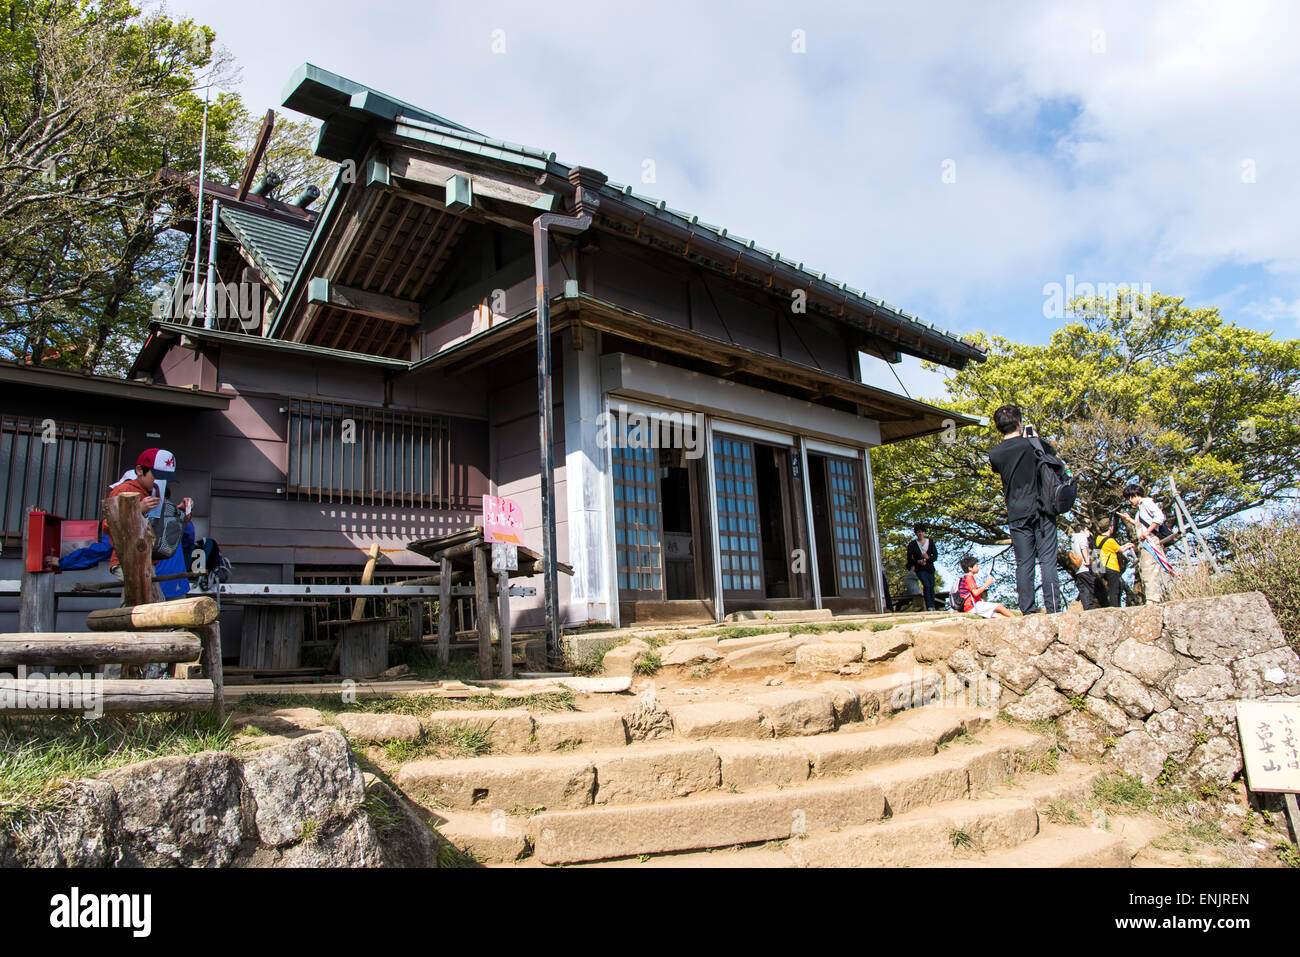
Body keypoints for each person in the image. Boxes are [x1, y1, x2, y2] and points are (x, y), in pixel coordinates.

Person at [987, 405, 1063, 613]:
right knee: (1047, 559)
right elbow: (1052, 456)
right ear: (1020, 423)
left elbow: (999, 468)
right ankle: (1053, 607)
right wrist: (1036, 438)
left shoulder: (994, 454)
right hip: (1042, 507)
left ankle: (1027, 609)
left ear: (998, 428)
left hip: (1016, 511)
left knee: (1024, 562)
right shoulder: (1032, 445)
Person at [1123, 483, 1175, 603]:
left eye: (1129, 498)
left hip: (1150, 541)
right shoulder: (1140, 509)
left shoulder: (1146, 503)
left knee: (1149, 569)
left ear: (1134, 495)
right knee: (1146, 569)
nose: (1130, 501)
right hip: (1146, 542)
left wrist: (1147, 532)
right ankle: (1153, 598)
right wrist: (1130, 520)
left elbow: (1159, 517)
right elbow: (1141, 524)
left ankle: (1152, 599)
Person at [1094, 517, 1134, 609]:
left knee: (1112, 588)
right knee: (1115, 589)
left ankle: (1113, 606)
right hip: (1112, 566)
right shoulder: (1110, 540)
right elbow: (1120, 549)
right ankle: (1115, 607)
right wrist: (1128, 546)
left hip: (1102, 567)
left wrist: (1126, 545)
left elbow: (1117, 547)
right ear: (1110, 528)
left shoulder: (1098, 539)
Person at [1068, 521, 1104, 610]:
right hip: (1085, 567)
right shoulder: (1082, 537)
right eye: (1087, 529)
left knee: (1084, 590)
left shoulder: (1073, 539)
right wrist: (1087, 560)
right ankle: (1092, 607)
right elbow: (1084, 548)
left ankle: (1087, 607)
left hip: (1078, 569)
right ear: (1083, 530)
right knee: (1093, 588)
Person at [905, 523, 939, 611]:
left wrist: (928, 558)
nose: (920, 534)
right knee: (926, 585)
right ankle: (929, 606)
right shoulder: (912, 544)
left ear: (924, 532)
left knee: (931, 585)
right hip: (919, 568)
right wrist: (917, 562)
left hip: (929, 567)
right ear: (916, 533)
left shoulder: (930, 542)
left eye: (921, 532)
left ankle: (932, 605)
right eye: (918, 532)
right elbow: (909, 557)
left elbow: (935, 556)